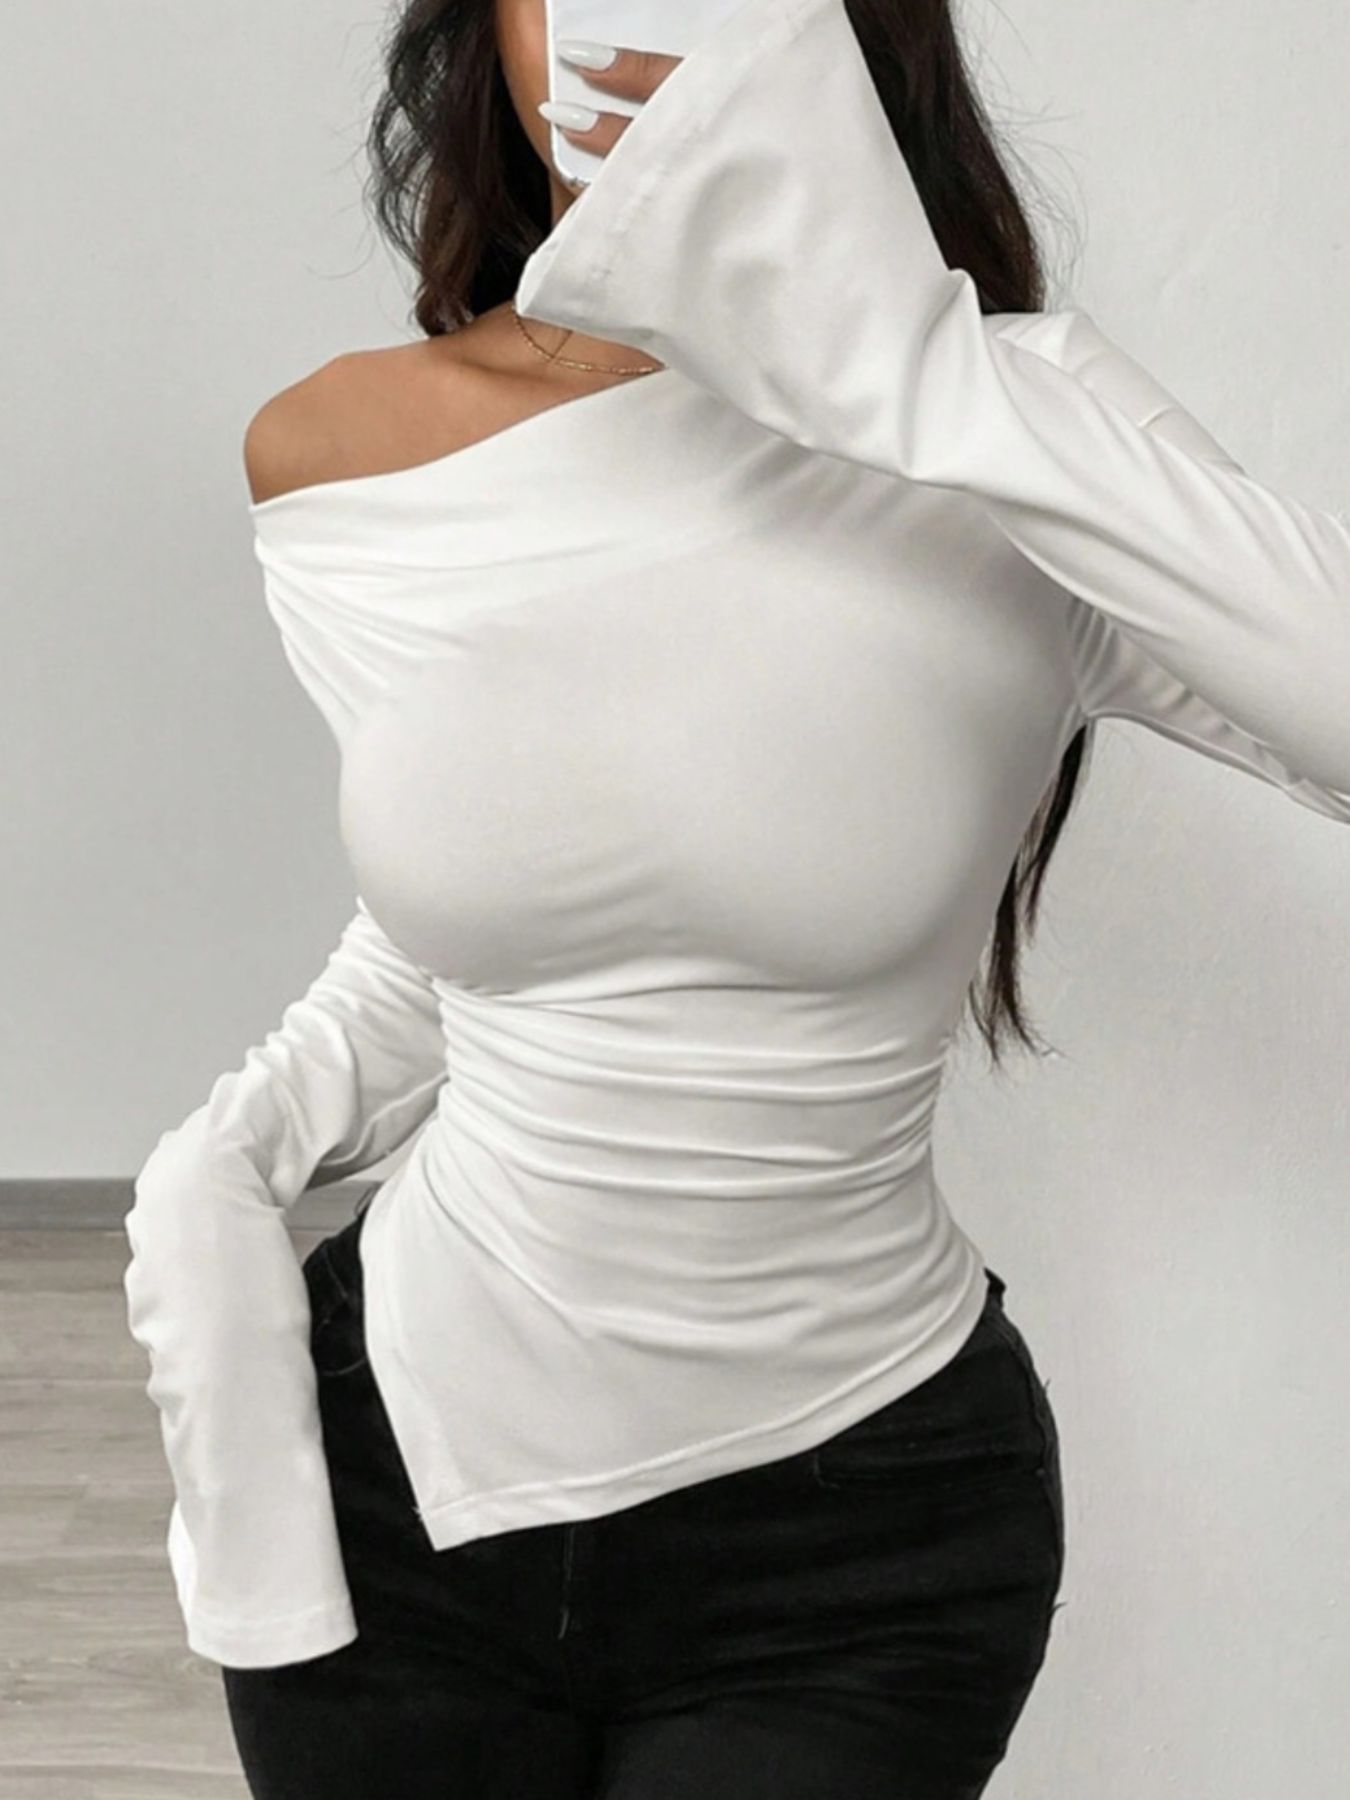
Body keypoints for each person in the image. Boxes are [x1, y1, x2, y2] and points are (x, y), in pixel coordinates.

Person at [121, 0, 1350, 1794]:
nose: (628, 18)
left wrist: (909, 370)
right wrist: (239, 1145)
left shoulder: (1004, 423)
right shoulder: (342, 458)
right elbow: (487, 919)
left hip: (856, 1533)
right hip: (403, 1481)